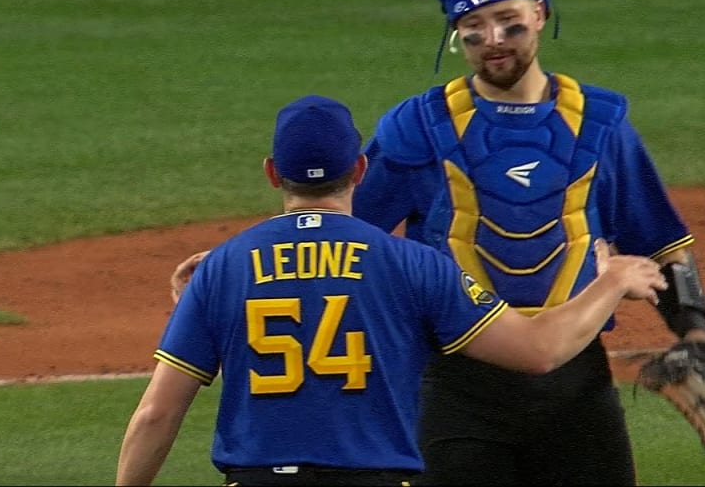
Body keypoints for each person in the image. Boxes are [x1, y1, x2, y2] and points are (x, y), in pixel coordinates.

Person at [351, 0, 705, 485]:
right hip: (455, 388)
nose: (494, 41)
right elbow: (343, 233)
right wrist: (249, 267)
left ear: (541, 14)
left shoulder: (599, 125)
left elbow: (657, 239)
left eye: (509, 22)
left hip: (576, 389)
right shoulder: (417, 129)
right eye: (474, 27)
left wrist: (695, 332)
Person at [118, 94, 667, 486]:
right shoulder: (414, 264)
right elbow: (538, 351)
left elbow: (154, 416)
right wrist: (613, 281)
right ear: (359, 168)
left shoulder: (224, 269)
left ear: (271, 173)